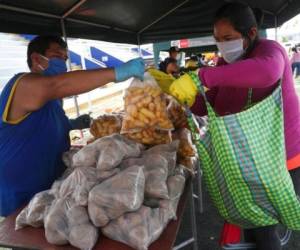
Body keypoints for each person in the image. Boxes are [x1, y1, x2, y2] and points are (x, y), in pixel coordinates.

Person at [168, 2, 300, 250]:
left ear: (251, 33)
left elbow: (268, 73)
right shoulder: (223, 65)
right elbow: (212, 105)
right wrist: (186, 93)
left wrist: (202, 77)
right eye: (217, 39)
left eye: (228, 38)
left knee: (264, 226)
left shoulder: (270, 50)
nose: (222, 45)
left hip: (281, 155)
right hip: (250, 157)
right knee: (254, 220)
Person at [0, 35, 144, 216]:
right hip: (21, 192)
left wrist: (71, 124)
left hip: (51, 185)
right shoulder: (21, 84)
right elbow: (55, 85)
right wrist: (117, 72)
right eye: (57, 56)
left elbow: (45, 124)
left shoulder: (53, 100)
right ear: (36, 59)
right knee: (24, 237)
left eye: (65, 59)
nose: (63, 63)